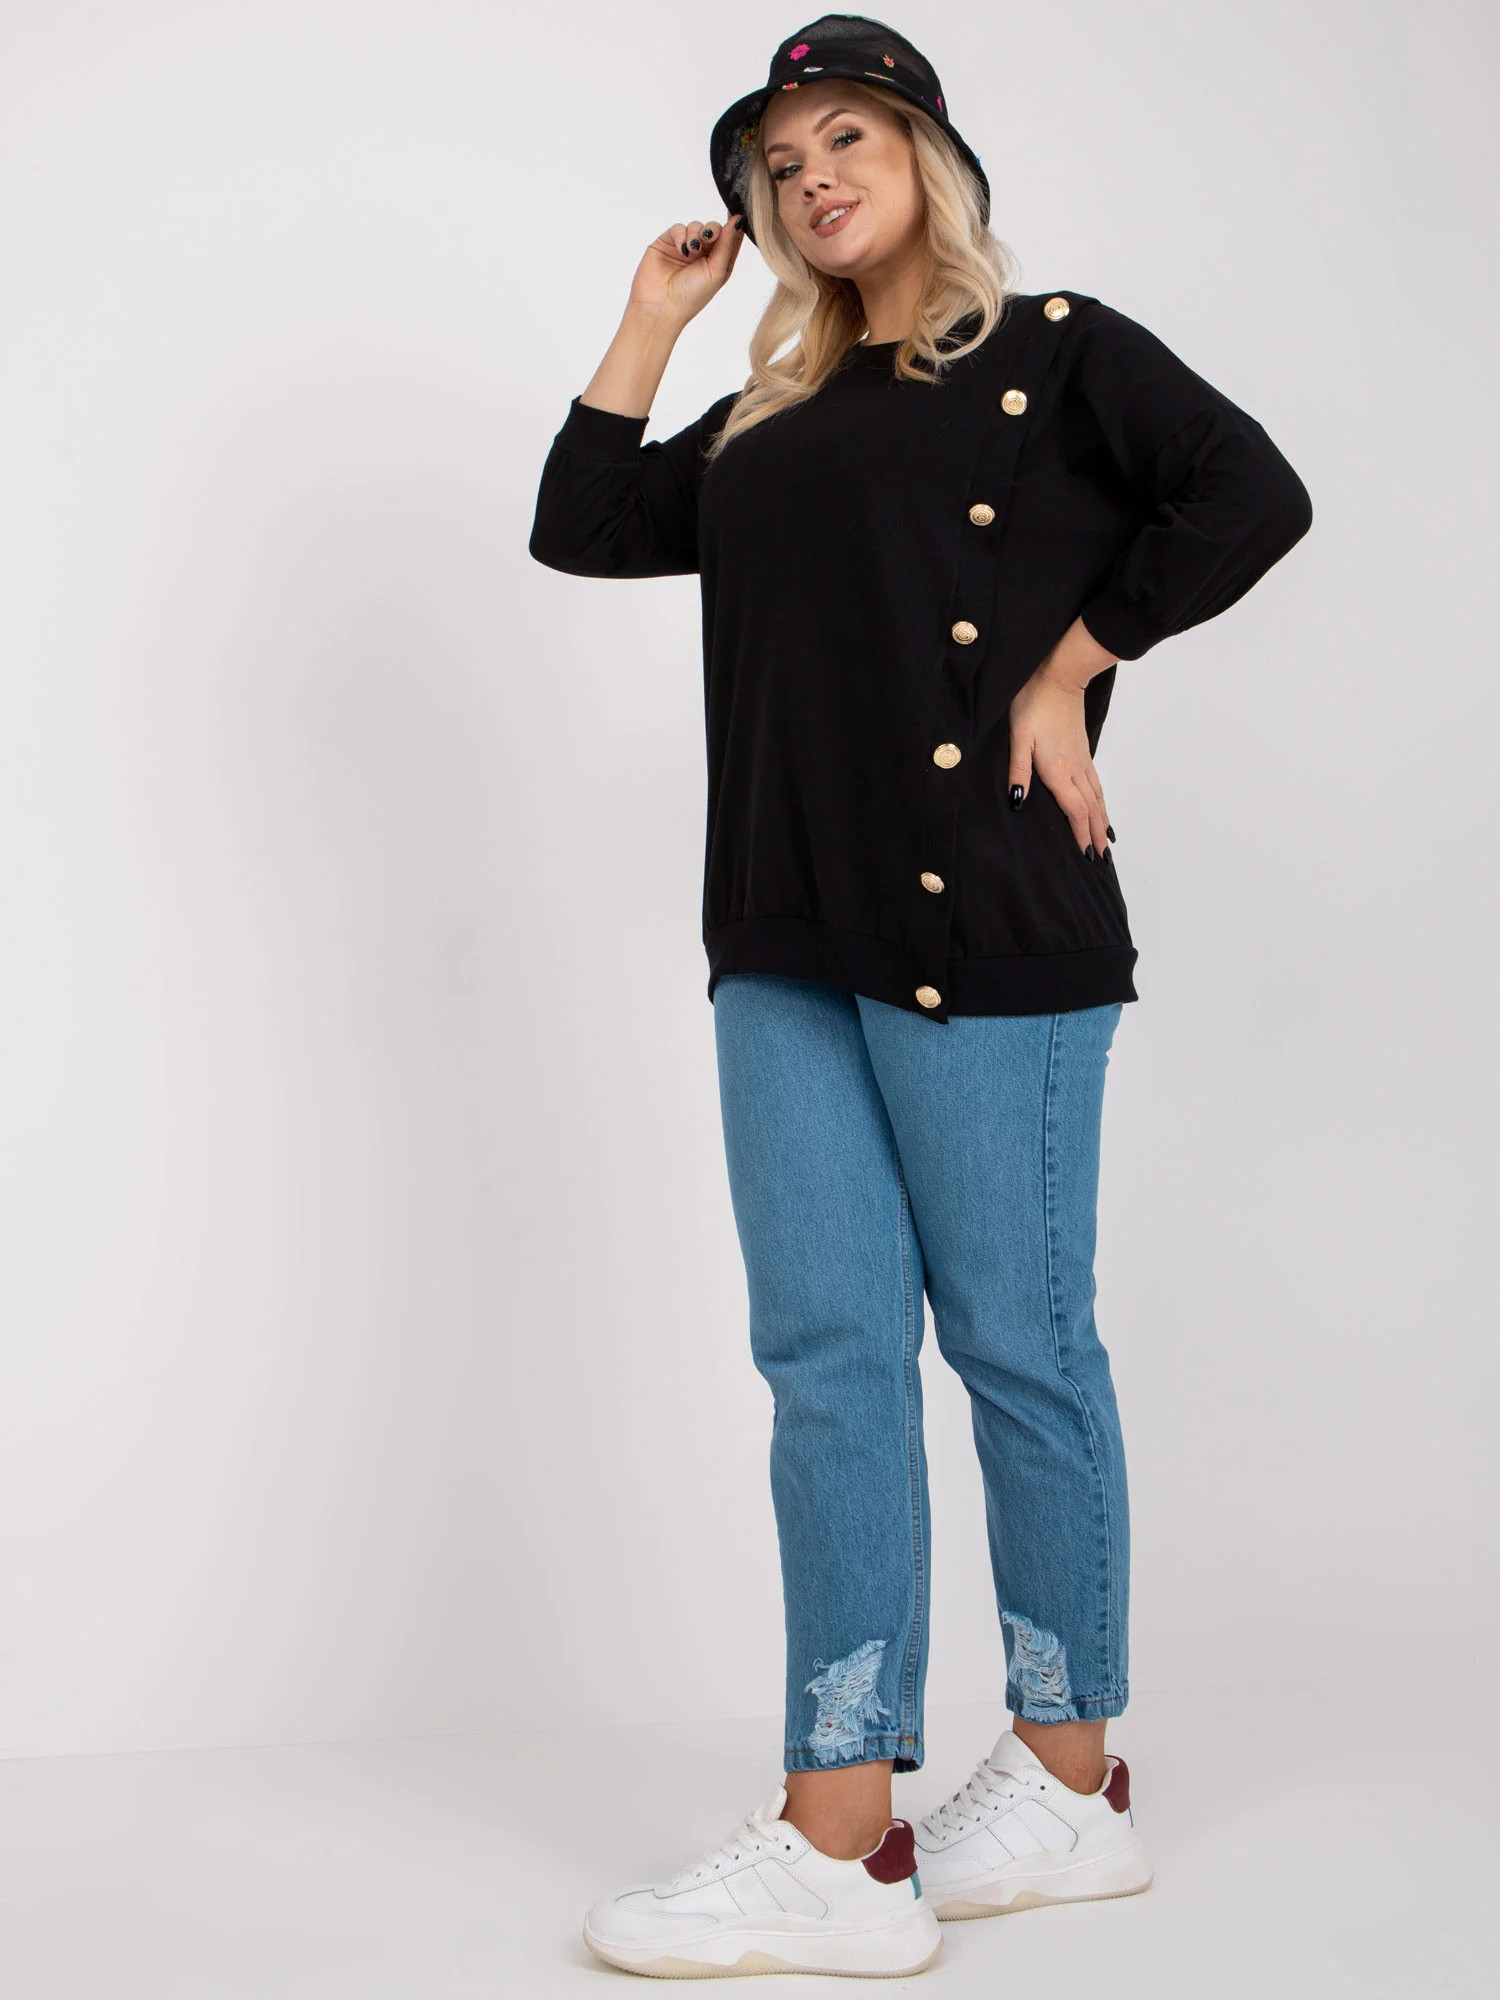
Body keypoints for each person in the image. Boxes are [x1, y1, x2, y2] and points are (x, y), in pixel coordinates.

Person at [529, 14, 1312, 1980]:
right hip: (782, 937)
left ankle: (1068, 1780)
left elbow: (1250, 491)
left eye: (846, 138)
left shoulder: (1054, 352)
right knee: (826, 1366)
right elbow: (583, 525)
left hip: (992, 928)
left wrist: (1070, 665)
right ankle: (841, 1830)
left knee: (1021, 1347)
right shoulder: (768, 413)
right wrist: (653, 317)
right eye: (778, 161)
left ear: (930, 159)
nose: (809, 178)